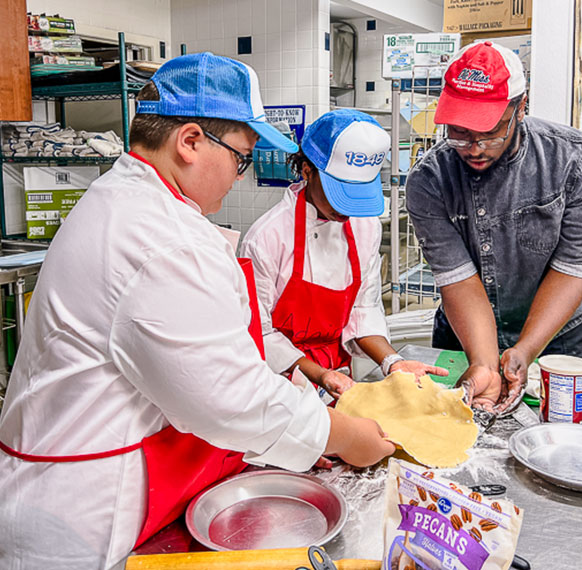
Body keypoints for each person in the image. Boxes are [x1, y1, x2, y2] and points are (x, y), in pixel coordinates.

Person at [0, 53, 395, 570]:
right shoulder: (162, 240)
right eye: (241, 157)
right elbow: (230, 397)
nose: (238, 175)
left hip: (109, 477)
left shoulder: (125, 200)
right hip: (88, 516)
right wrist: (341, 434)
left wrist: (294, 427)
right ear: (189, 141)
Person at [406, 41, 582, 413]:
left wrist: (525, 350)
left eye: (490, 131)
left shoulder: (577, 162)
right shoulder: (430, 181)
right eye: (459, 132)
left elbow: (571, 269)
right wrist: (485, 365)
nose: (473, 148)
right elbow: (459, 279)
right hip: (467, 332)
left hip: (560, 333)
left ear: (520, 107)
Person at [240, 109, 448, 403]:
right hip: (278, 385)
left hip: (338, 380)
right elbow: (259, 333)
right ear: (307, 171)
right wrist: (319, 374)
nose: (347, 209)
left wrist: (393, 362)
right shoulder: (267, 237)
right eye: (339, 192)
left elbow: (364, 309)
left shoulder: (365, 226)